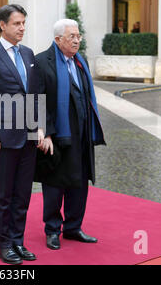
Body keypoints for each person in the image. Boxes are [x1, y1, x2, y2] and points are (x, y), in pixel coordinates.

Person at [0, 4, 44, 265]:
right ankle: (3, 245)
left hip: (27, 136)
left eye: (24, 23)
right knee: (4, 193)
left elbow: (34, 93)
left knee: (23, 193)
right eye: (17, 23)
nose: (22, 28)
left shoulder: (28, 53)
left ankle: (18, 241)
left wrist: (38, 127)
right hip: (2, 137)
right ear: (2, 25)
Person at [34, 19, 106, 250]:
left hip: (83, 133)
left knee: (79, 182)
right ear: (58, 40)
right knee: (55, 183)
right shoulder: (42, 62)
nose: (76, 40)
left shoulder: (80, 62)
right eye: (71, 36)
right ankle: (52, 229)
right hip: (57, 135)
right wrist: (44, 132)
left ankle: (74, 227)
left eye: (78, 36)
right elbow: (37, 101)